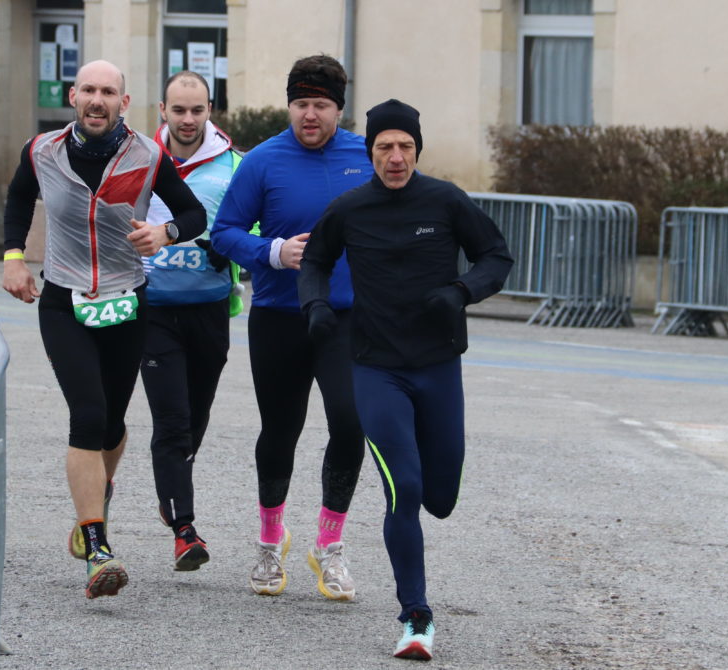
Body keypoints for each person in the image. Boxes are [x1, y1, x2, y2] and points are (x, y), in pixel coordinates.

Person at [298, 99, 514, 659]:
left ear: (418, 150)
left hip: (438, 366)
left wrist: (463, 291)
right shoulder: (350, 207)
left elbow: (496, 255)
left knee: (439, 497)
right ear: (369, 152)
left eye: (405, 147)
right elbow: (315, 260)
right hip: (375, 368)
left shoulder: (445, 201)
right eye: (384, 147)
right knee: (405, 490)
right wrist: (316, 306)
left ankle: (419, 588)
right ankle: (416, 616)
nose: (395, 158)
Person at [1, 60, 206, 599]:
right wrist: (13, 258)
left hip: (126, 300)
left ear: (124, 102)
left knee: (113, 423)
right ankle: (97, 547)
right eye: (88, 90)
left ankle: (98, 494)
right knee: (87, 416)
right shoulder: (41, 151)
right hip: (65, 299)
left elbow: (193, 215)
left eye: (107, 92)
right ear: (73, 96)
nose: (97, 99)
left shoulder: (147, 153)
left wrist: (166, 232)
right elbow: (19, 198)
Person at [210, 54, 371, 601]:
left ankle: (329, 547)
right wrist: (273, 252)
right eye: (300, 104)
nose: (309, 115)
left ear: (338, 109)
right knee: (281, 430)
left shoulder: (364, 156)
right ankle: (269, 541)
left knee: (351, 425)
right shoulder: (262, 160)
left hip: (348, 316)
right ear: (289, 105)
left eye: (320, 106)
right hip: (280, 315)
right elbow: (224, 233)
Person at [139, 70, 244, 571]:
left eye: (196, 110)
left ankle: (170, 490)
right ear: (163, 109)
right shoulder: (138, 157)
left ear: (210, 110)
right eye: (178, 110)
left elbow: (251, 227)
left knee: (194, 420)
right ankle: (185, 529)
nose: (187, 120)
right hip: (153, 308)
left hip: (208, 309)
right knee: (173, 420)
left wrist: (228, 248)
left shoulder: (234, 165)